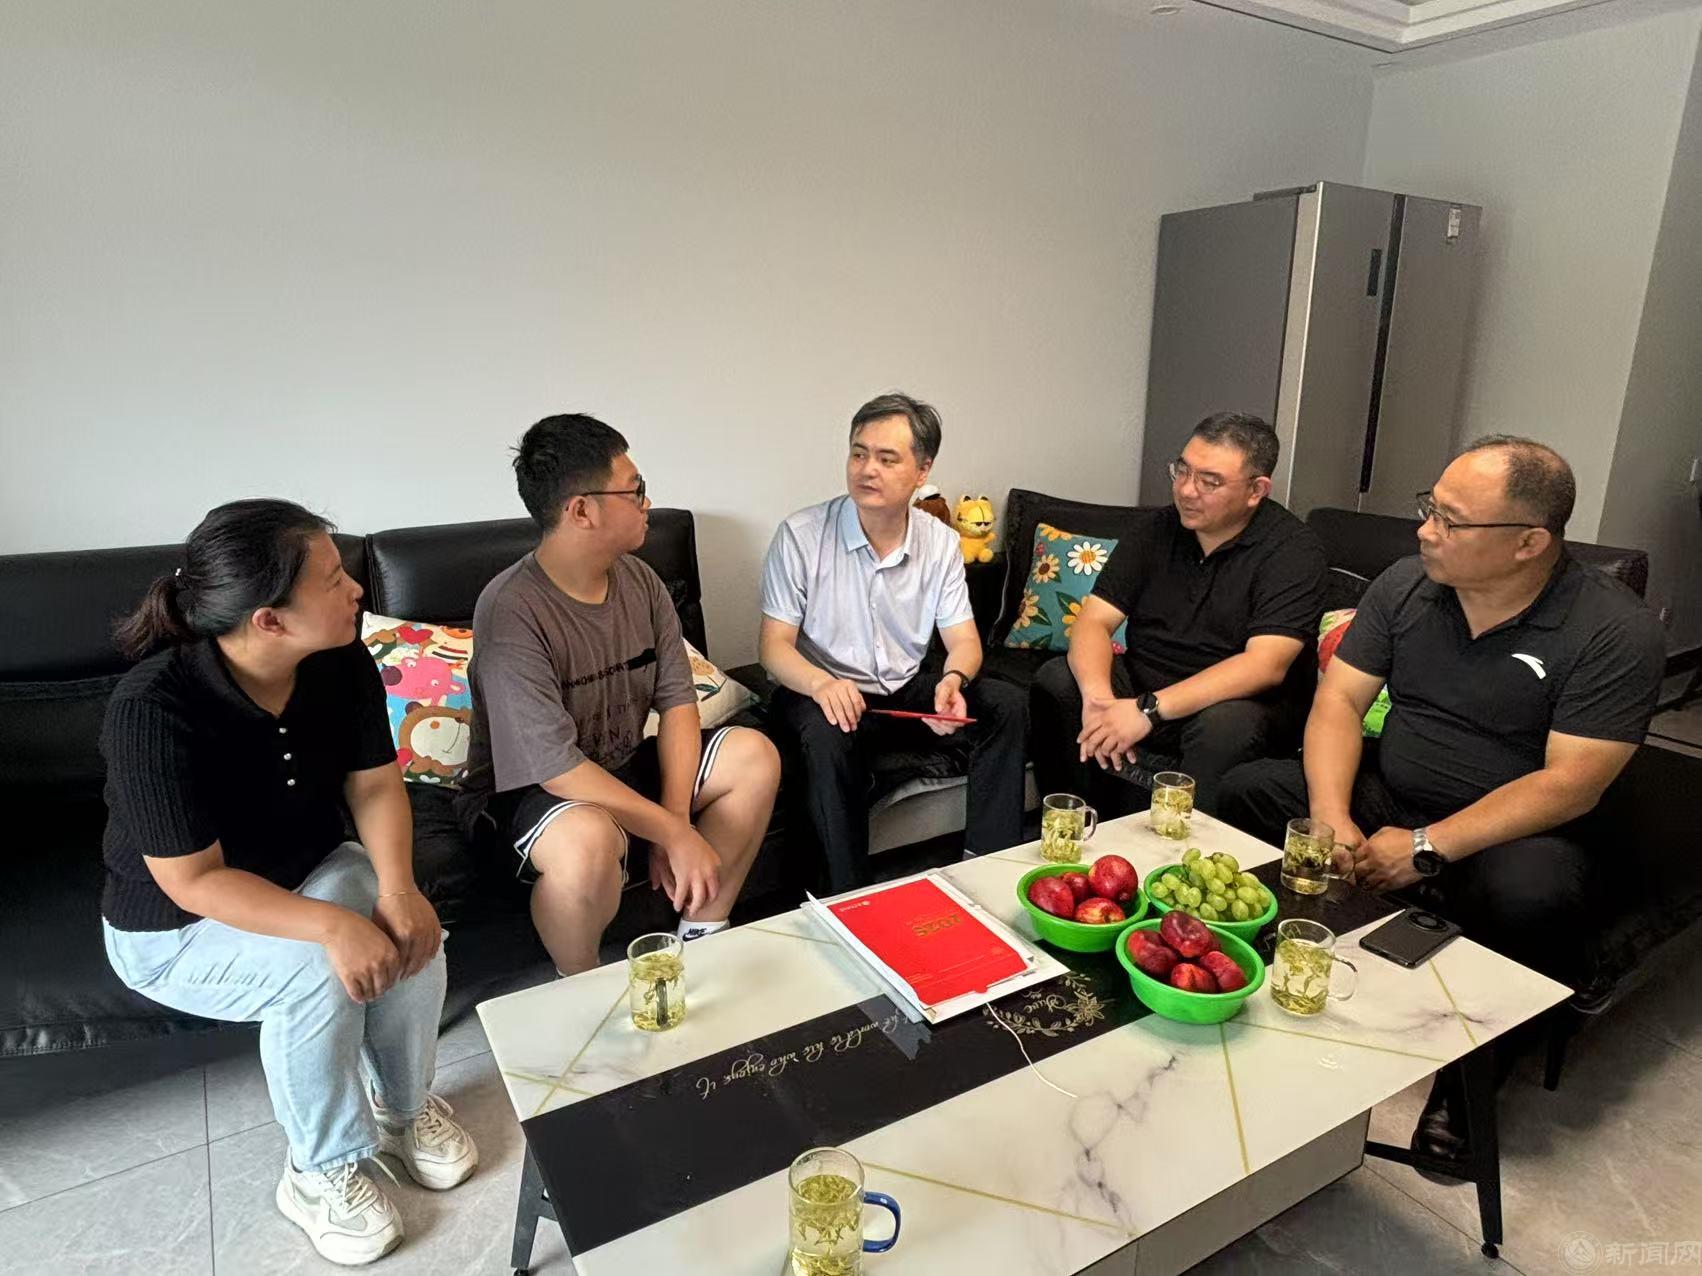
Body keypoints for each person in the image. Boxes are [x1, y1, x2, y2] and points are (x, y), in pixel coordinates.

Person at [1218, 436, 1664, 1158]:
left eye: (1450, 521)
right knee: (1252, 793)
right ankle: (1283, 972)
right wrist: (1332, 817)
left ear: (1528, 542)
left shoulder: (1613, 630)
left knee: (1531, 892)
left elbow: (1571, 783)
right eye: (1430, 507)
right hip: (1395, 793)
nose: (1425, 530)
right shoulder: (1407, 585)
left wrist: (1428, 848)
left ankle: (1469, 1083)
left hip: (1515, 829)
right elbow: (1339, 701)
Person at [101, 499, 477, 1268]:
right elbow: (193, 881)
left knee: (409, 926)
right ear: (269, 620)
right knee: (318, 970)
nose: (356, 590)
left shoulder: (339, 660)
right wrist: (334, 927)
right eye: (333, 579)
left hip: (308, 871)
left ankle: (403, 1109)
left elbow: (374, 783)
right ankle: (319, 1168)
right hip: (177, 930)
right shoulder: (152, 710)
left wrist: (398, 889)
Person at [458, 413, 780, 977]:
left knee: (753, 754)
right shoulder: (510, 608)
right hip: (531, 792)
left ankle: (701, 936)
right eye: (634, 490)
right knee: (587, 840)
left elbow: (677, 703)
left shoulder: (641, 581)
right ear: (582, 510)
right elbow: (556, 768)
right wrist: (671, 831)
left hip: (621, 767)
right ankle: (580, 981)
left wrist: (674, 819)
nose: (646, 503)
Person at [759, 392, 1027, 891]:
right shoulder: (801, 535)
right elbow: (773, 647)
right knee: (824, 733)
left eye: (887, 459)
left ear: (922, 471)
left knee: (1005, 705)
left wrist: (952, 681)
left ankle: (987, 864)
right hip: (821, 693)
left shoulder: (940, 541)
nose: (867, 469)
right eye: (858, 453)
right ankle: (845, 896)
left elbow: (964, 641)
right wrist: (821, 684)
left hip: (901, 693)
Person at [1028, 412, 1326, 815]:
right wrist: (1098, 700)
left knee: (1225, 727)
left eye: (1209, 481)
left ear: (1256, 490)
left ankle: (1182, 845)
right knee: (1058, 680)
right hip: (1147, 682)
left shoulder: (1293, 551)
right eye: (1182, 470)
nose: (1186, 490)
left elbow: (1264, 665)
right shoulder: (1156, 529)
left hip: (1233, 704)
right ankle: (1073, 822)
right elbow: (1094, 621)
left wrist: (1147, 709)